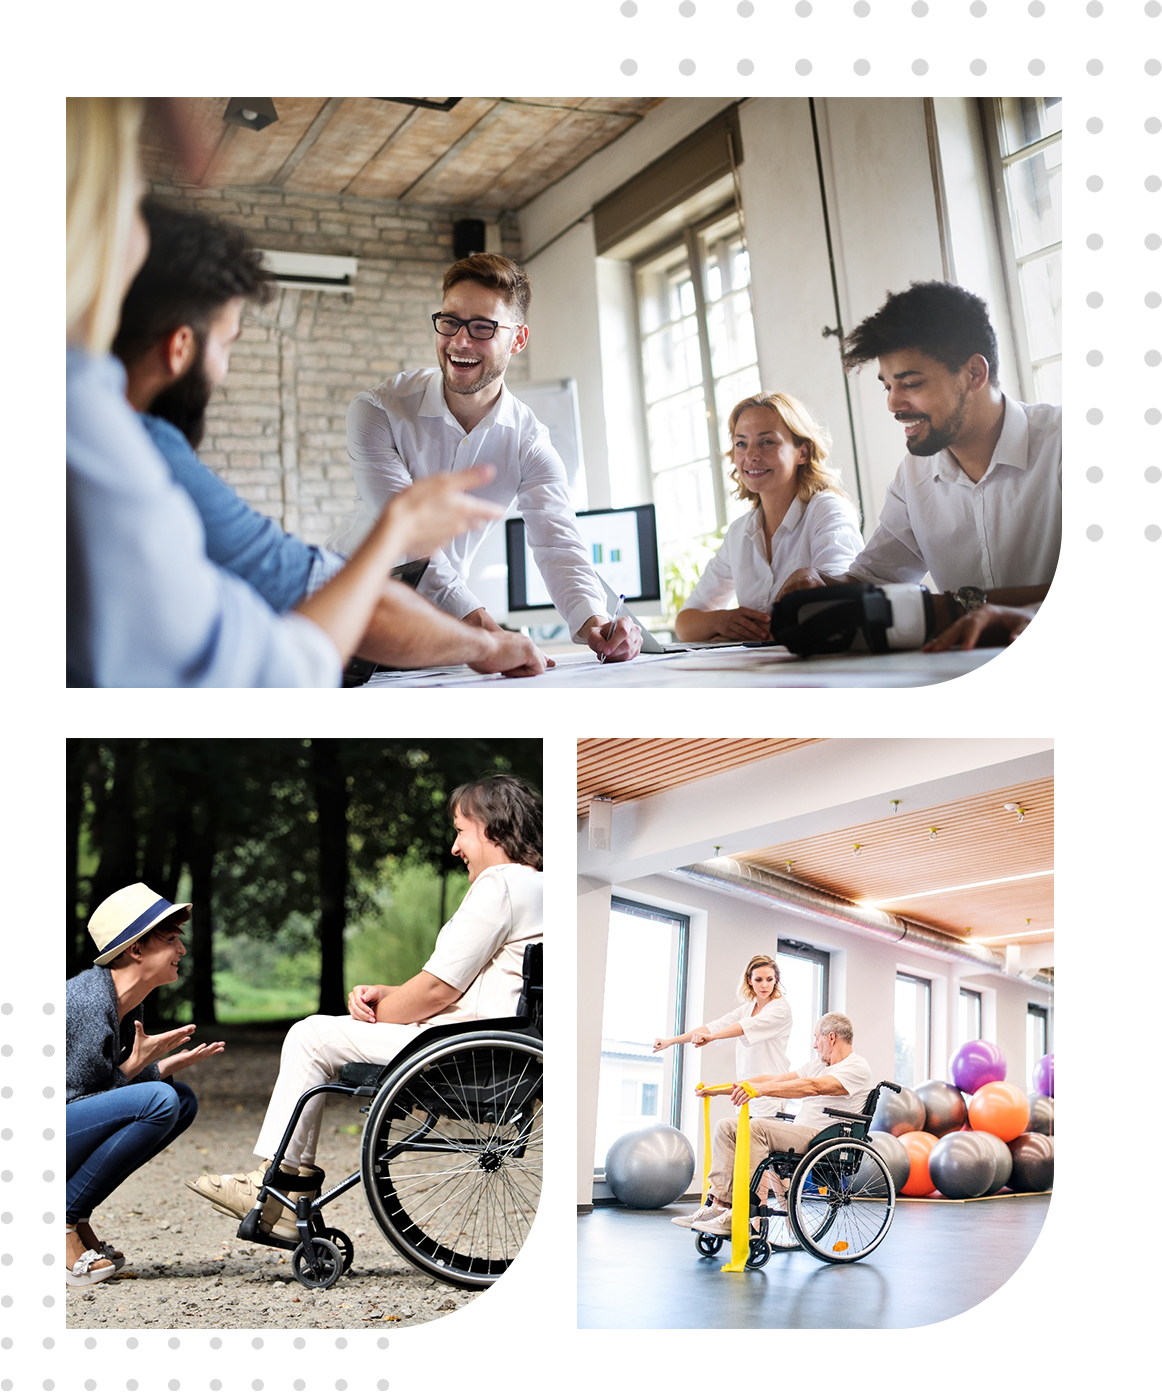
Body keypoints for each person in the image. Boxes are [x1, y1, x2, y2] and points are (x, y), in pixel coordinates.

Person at [67, 98, 503, 686]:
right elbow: (290, 658)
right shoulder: (124, 446)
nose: (460, 341)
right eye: (228, 342)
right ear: (179, 350)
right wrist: (400, 537)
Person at [112, 200, 548, 678]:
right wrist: (488, 644)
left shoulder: (92, 433)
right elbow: (359, 611)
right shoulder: (154, 463)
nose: (224, 369)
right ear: (180, 349)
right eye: (228, 342)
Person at [186, 773, 544, 1242]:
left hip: (465, 1050)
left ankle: (273, 1189)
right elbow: (470, 985)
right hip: (499, 1044)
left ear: (493, 827)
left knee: (311, 1035)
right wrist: (389, 992)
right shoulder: (539, 888)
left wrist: (382, 1009)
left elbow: (437, 992)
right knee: (320, 1033)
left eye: (460, 830)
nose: (455, 847)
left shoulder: (501, 884)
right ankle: (281, 1188)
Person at [327, 252, 642, 663]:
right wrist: (489, 634)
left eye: (482, 327)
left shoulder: (529, 444)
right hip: (342, 618)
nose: (460, 341)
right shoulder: (378, 411)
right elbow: (409, 536)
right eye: (451, 321)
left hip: (435, 637)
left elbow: (558, 542)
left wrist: (595, 623)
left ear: (518, 339)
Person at [775, 281, 1060, 647]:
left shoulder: (1058, 444)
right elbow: (875, 578)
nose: (893, 404)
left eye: (910, 383)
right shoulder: (915, 475)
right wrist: (819, 582)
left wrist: (961, 608)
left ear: (974, 373)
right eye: (887, 386)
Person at [64, 884, 225, 1286]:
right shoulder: (85, 1004)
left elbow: (100, 1089)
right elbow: (79, 1097)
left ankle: (76, 1214)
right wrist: (139, 1065)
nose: (181, 951)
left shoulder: (122, 1003)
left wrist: (160, 1065)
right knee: (159, 1099)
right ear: (135, 949)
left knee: (180, 1100)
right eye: (170, 940)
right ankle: (64, 1221)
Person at [675, 393, 863, 642]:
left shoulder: (827, 510)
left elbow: (833, 607)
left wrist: (738, 636)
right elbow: (685, 624)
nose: (750, 455)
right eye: (741, 443)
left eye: (767, 442)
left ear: (802, 453)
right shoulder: (740, 532)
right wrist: (721, 621)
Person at [685, 1013, 872, 1237]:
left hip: (823, 1138)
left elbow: (813, 1087)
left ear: (831, 1038)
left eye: (816, 1038)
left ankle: (743, 1212)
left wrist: (760, 1092)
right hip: (803, 1133)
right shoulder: (818, 1064)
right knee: (726, 1126)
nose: (814, 1045)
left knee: (757, 1127)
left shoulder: (857, 1067)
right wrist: (718, 1088)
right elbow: (771, 1079)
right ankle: (719, 1205)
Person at [654, 954, 794, 1227]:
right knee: (766, 1164)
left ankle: (758, 1222)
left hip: (769, 1091)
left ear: (776, 980)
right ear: (749, 982)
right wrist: (672, 1041)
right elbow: (714, 1025)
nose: (764, 984)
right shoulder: (748, 1007)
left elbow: (740, 1029)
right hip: (746, 1092)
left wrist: (711, 1038)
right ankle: (740, 1213)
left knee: (761, 1162)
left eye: (769, 979)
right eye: (758, 979)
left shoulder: (780, 1009)